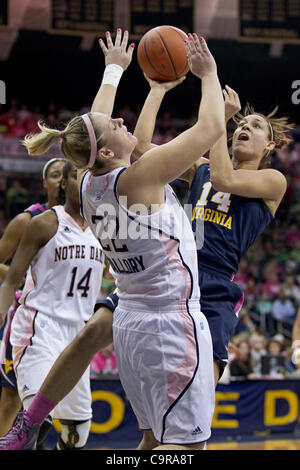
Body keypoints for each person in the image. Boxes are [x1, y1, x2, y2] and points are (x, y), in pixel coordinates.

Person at [0, 29, 225, 451]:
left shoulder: (86, 184)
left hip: (129, 323)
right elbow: (212, 125)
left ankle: (29, 422)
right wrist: (208, 74)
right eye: (116, 125)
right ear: (104, 152)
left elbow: (92, 126)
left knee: (152, 441)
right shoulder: (141, 175)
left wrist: (114, 70)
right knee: (187, 450)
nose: (122, 120)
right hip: (172, 323)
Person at [130, 73, 293, 387]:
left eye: (255, 126)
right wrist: (157, 90)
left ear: (269, 145)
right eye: (240, 124)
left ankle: (195, 430)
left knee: (204, 378)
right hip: (176, 267)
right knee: (152, 371)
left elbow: (224, 180)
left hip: (215, 280)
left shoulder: (272, 181)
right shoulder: (200, 167)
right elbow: (140, 149)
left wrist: (219, 120)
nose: (243, 127)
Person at [0, 161, 105, 450]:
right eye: (74, 177)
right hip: (40, 324)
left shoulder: (103, 227)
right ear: (62, 184)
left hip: (78, 335)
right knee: (33, 421)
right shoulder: (42, 221)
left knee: (76, 436)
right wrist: (11, 291)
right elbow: (11, 278)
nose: (84, 183)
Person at [0, 157, 65, 439]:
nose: (61, 179)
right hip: (26, 316)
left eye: (67, 173)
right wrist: (21, 277)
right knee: (13, 396)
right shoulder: (27, 220)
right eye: (53, 175)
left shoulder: (86, 221)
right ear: (44, 183)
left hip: (65, 317)